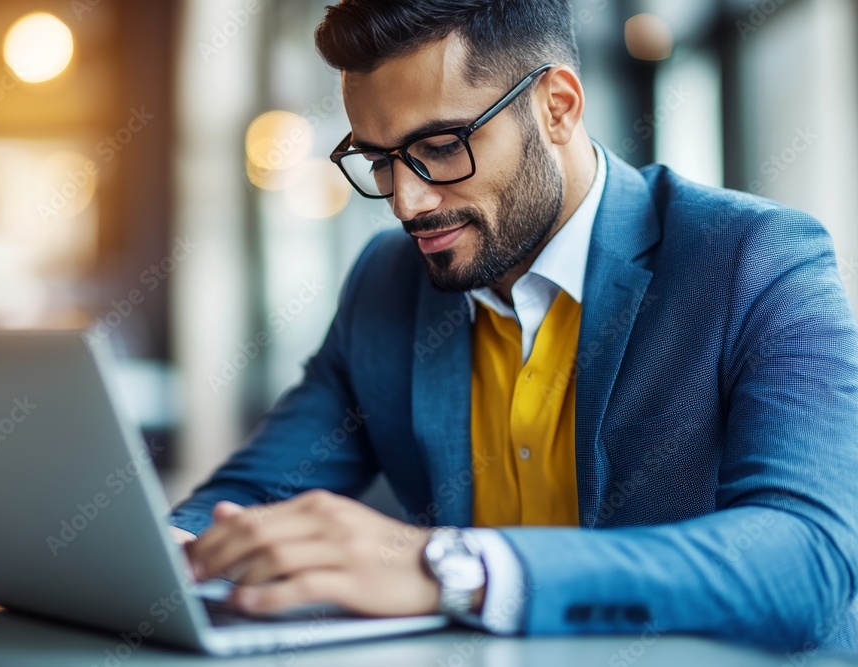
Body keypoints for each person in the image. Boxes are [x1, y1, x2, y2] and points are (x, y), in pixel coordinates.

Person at [170, 0, 858, 653]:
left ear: (557, 106)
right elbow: (256, 493)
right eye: (380, 160)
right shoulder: (386, 282)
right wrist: (168, 551)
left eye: (440, 146)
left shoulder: (755, 258)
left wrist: (458, 569)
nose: (407, 202)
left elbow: (810, 554)